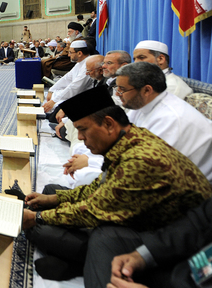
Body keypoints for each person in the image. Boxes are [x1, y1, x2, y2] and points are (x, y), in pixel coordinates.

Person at [23, 86, 212, 281]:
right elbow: (99, 187)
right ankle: (80, 261)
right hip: (132, 215)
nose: (79, 137)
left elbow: (93, 211)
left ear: (109, 124)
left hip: (161, 239)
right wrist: (54, 198)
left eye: (82, 129)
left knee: (41, 228)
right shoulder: (129, 139)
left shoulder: (140, 160)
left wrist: (37, 218)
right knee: (50, 191)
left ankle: (83, 263)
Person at [116, 62, 212, 180]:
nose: (117, 94)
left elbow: (148, 168)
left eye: (122, 89)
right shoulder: (142, 105)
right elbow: (119, 139)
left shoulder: (171, 119)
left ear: (147, 90)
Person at [42, 40, 91, 119]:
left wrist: (54, 101)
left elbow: (75, 87)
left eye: (71, 52)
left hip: (81, 98)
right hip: (74, 94)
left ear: (79, 53)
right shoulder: (80, 63)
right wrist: (52, 89)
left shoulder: (88, 65)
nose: (68, 55)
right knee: (55, 94)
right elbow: (67, 78)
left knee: (58, 102)